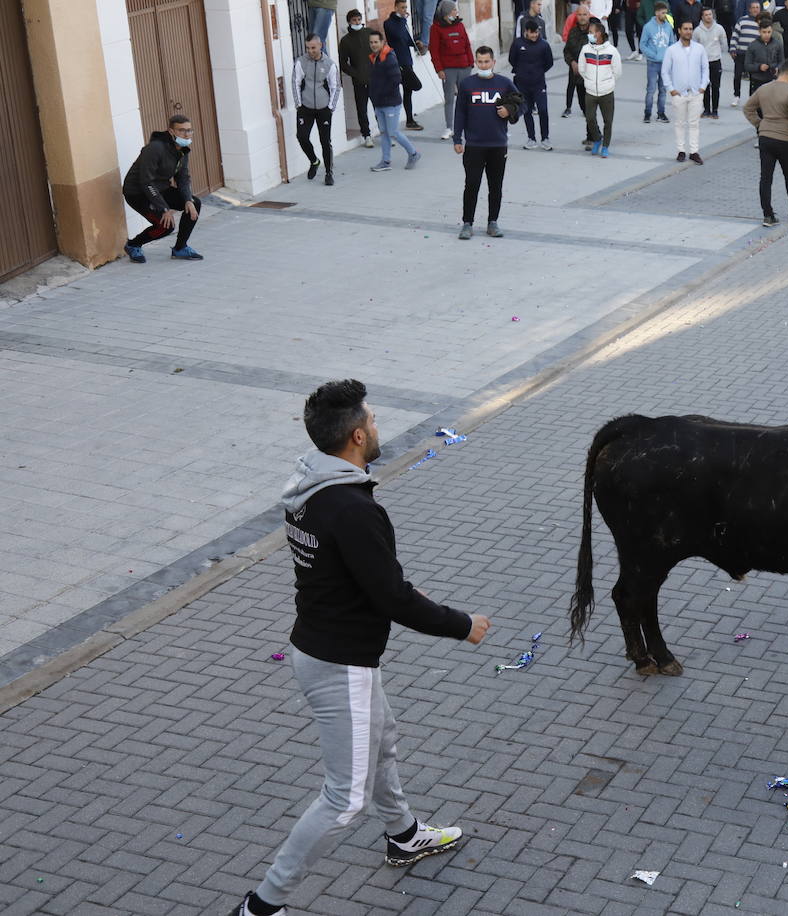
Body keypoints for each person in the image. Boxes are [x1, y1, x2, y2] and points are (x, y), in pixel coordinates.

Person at [230, 380, 490, 916]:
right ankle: (261, 906)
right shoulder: (351, 507)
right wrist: (462, 624)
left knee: (383, 742)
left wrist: (403, 592)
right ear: (355, 436)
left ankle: (404, 835)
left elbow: (366, 579)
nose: (376, 426)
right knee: (344, 799)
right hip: (339, 664)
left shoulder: (312, 490)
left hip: (325, 648)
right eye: (371, 420)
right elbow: (392, 598)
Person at [453, 47, 519, 239]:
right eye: (480, 62)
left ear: (493, 62)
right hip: (474, 145)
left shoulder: (504, 83)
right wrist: (457, 139)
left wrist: (509, 110)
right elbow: (460, 113)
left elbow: (520, 103)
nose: (483, 65)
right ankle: (467, 223)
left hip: (498, 145)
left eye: (486, 62)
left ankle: (493, 222)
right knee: (471, 184)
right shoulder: (467, 84)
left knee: (495, 186)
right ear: (475, 62)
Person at [121, 115, 203, 264]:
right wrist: (164, 208)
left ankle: (180, 248)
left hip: (160, 188)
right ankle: (133, 245)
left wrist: (188, 199)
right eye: (181, 130)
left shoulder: (182, 150)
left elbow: (183, 178)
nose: (186, 134)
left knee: (194, 204)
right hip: (138, 193)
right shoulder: (155, 148)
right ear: (171, 131)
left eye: (189, 130)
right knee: (166, 225)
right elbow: (146, 182)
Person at [745, 57, 788, 224]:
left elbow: (748, 108)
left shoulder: (763, 89)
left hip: (765, 138)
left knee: (765, 177)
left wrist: (759, 124)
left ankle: (768, 215)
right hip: (786, 139)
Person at [367, 29, 421, 171]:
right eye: (371, 42)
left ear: (382, 42)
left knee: (393, 132)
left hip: (390, 103)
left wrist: (380, 93)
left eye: (376, 42)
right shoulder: (374, 58)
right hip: (379, 103)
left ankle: (413, 154)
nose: (373, 45)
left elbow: (396, 80)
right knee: (384, 133)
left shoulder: (389, 58)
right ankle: (385, 161)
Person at [292, 35, 341, 186]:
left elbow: (335, 86)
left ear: (321, 45)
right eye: (308, 48)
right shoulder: (301, 62)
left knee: (325, 141)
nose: (310, 51)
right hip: (305, 108)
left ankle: (328, 172)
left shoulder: (329, 64)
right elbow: (295, 82)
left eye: (313, 48)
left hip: (323, 109)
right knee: (302, 137)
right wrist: (298, 104)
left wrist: (330, 107)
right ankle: (314, 161)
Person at [663, 19, 709, 161]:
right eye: (686, 29)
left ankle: (694, 151)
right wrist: (671, 89)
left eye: (690, 29)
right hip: (679, 93)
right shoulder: (671, 50)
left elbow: (705, 68)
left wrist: (703, 87)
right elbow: (665, 71)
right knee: (680, 123)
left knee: (694, 123)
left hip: (696, 92)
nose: (688, 31)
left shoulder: (699, 49)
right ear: (679, 31)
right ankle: (681, 151)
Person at [429, 1, 474, 140]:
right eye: (454, 9)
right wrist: (439, 69)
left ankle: (468, 125)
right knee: (449, 99)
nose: (456, 12)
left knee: (465, 98)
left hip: (464, 66)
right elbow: (434, 50)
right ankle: (449, 127)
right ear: (447, 12)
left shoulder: (460, 25)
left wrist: (471, 63)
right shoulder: (435, 28)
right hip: (448, 69)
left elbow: (467, 45)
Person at [578, 18, 622, 156]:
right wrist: (589, 80)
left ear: (599, 34)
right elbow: (581, 68)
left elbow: (617, 71)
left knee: (608, 121)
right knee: (590, 118)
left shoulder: (612, 51)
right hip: (590, 92)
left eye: (591, 32)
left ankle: (605, 147)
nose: (589, 35)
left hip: (607, 92)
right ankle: (597, 139)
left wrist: (608, 83)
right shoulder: (585, 49)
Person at [510, 18, 555, 149]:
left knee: (543, 110)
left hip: (539, 84)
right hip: (522, 84)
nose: (535, 35)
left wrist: (538, 71)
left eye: (536, 32)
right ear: (526, 32)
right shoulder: (518, 44)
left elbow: (549, 62)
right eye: (532, 33)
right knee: (527, 111)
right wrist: (522, 71)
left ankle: (545, 138)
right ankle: (531, 138)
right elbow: (512, 59)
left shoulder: (544, 45)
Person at [384, 0, 425, 130]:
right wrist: (402, 20)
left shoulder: (403, 23)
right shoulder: (389, 23)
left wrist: (416, 43)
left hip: (407, 60)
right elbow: (397, 35)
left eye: (406, 7)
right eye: (402, 7)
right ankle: (391, 122)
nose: (404, 10)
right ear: (396, 8)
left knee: (408, 91)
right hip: (397, 62)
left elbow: (406, 39)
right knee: (415, 85)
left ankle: (410, 120)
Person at [338, 10, 375, 148]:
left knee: (380, 107)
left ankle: (385, 133)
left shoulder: (369, 33)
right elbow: (343, 63)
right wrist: (355, 73)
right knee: (362, 109)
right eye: (354, 20)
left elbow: (380, 50)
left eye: (359, 19)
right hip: (359, 81)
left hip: (375, 78)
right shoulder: (345, 41)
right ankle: (367, 135)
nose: (357, 22)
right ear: (349, 22)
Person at [643, 2, 676, 121]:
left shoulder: (668, 27)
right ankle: (647, 113)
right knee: (651, 89)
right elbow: (642, 45)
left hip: (665, 63)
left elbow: (671, 43)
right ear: (656, 13)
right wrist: (654, 55)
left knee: (663, 90)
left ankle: (661, 113)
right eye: (663, 13)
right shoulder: (648, 27)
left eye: (666, 13)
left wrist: (669, 57)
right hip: (652, 63)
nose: (665, 15)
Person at [563, 6, 593, 137]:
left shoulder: (594, 32)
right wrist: (572, 62)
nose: (582, 17)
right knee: (583, 105)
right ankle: (594, 133)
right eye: (579, 14)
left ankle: (592, 135)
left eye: (584, 14)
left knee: (590, 106)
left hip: (591, 75)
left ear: (588, 15)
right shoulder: (573, 31)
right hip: (576, 75)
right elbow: (567, 51)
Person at [694, 7, 729, 115]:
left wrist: (718, 53)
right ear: (702, 17)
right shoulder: (697, 31)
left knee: (715, 87)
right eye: (706, 15)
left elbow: (724, 44)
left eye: (710, 14)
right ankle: (706, 110)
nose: (709, 17)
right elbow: (694, 46)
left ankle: (715, 110)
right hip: (703, 62)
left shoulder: (719, 28)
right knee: (705, 87)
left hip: (715, 61)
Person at [731, 1, 764, 105]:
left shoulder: (763, 23)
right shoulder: (742, 20)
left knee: (753, 78)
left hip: (755, 56)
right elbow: (735, 35)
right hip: (741, 53)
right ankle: (736, 95)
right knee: (737, 76)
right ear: (749, 9)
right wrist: (733, 49)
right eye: (753, 7)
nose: (755, 9)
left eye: (757, 7)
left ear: (760, 9)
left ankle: (751, 98)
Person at [747, 17, 785, 94]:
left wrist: (777, 68)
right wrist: (759, 67)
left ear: (772, 31)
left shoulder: (778, 44)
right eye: (764, 32)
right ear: (759, 31)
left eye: (769, 32)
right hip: (757, 80)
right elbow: (747, 65)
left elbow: (782, 61)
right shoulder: (752, 45)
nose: (767, 35)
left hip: (772, 80)